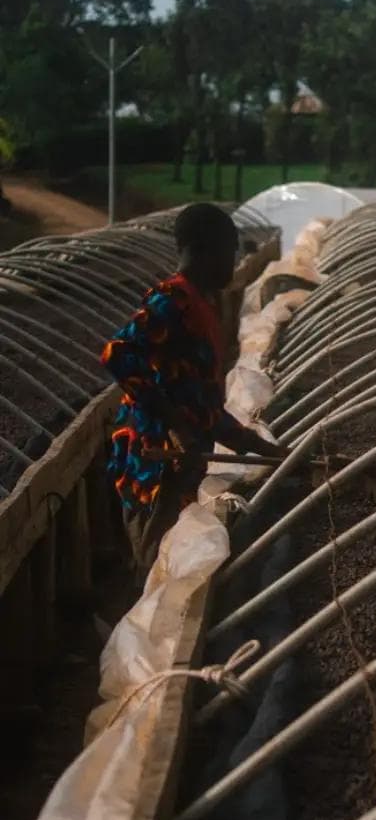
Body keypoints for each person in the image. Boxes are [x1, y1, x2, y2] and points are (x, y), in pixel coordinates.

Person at [101, 202, 283, 573]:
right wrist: (175, 424)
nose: (233, 263)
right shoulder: (173, 300)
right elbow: (118, 354)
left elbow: (204, 411)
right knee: (157, 565)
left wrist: (265, 450)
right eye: (229, 252)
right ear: (205, 250)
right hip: (155, 465)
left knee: (173, 560)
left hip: (182, 463)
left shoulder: (200, 306)